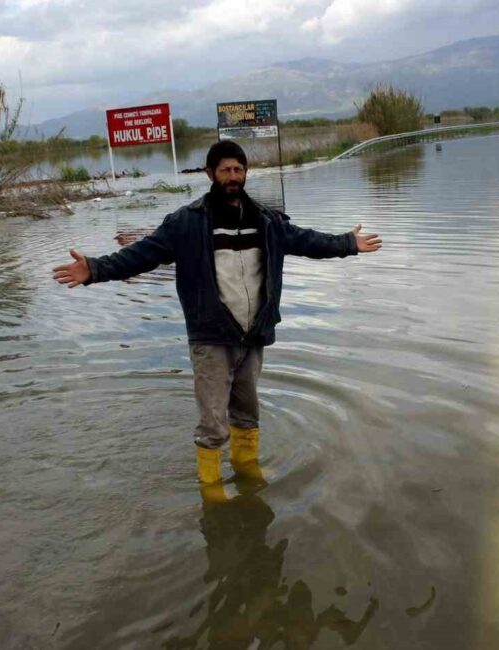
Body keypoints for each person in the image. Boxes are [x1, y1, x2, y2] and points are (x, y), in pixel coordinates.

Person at [52, 141, 382, 498]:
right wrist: (95, 269)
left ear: (245, 173)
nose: (232, 177)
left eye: (238, 170)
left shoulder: (267, 221)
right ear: (210, 174)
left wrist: (348, 243)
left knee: (247, 412)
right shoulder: (186, 223)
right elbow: (140, 255)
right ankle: (211, 490)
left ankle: (247, 470)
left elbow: (306, 241)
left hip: (252, 332)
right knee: (213, 422)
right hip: (211, 335)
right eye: (225, 170)